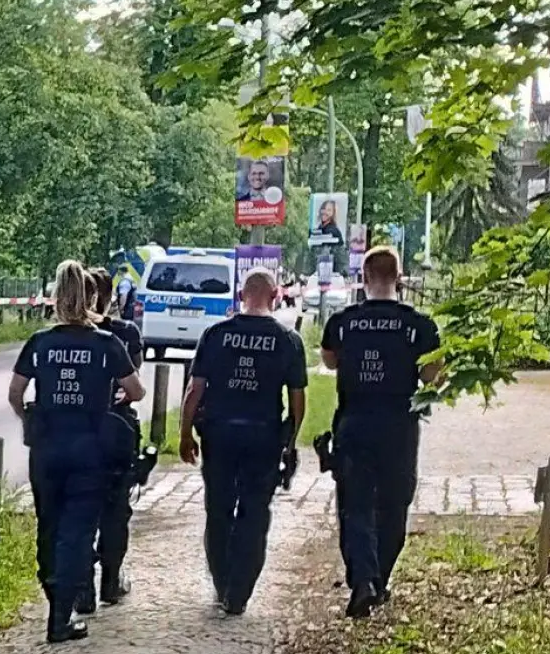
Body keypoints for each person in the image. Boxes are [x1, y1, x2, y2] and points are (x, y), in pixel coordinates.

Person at [11, 261, 146, 643]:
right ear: (90, 299)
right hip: (90, 450)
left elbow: (15, 395)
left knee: (49, 528)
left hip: (47, 449)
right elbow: (136, 391)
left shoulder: (41, 342)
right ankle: (60, 618)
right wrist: (111, 397)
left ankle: (55, 598)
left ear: (55, 298)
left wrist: (31, 420)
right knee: (77, 531)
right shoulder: (106, 343)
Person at [320, 246, 441, 619]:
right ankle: (380, 580)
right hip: (399, 425)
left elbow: (328, 360)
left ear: (365, 278)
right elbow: (432, 375)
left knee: (354, 504)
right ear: (399, 278)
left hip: (354, 420)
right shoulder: (419, 324)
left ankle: (362, 580)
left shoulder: (342, 321)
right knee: (394, 503)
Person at [179, 268, 307, 615]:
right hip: (263, 437)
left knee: (218, 510)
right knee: (254, 513)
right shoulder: (288, 340)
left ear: (241, 295)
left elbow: (195, 391)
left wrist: (184, 433)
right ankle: (240, 592)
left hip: (219, 435)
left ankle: (222, 583)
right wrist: (290, 441)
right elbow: (297, 400)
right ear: (276, 295)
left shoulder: (216, 334)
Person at [79, 266, 145, 613]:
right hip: (117, 432)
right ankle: (111, 580)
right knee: (116, 510)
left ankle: (82, 587)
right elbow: (133, 387)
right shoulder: (125, 333)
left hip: (77, 434)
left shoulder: (68, 334)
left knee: (79, 509)